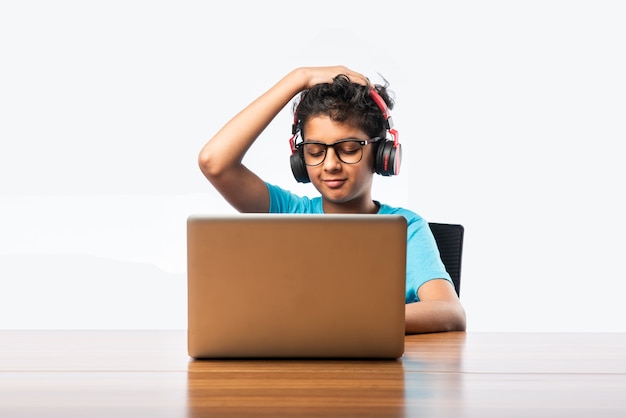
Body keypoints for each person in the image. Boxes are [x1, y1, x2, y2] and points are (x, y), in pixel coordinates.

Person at [198, 66, 466, 334]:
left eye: (348, 150)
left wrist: (341, 320)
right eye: (314, 151)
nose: (330, 165)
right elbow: (214, 163)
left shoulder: (406, 228)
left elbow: (450, 311)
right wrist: (298, 78)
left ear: (383, 154)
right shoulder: (287, 213)